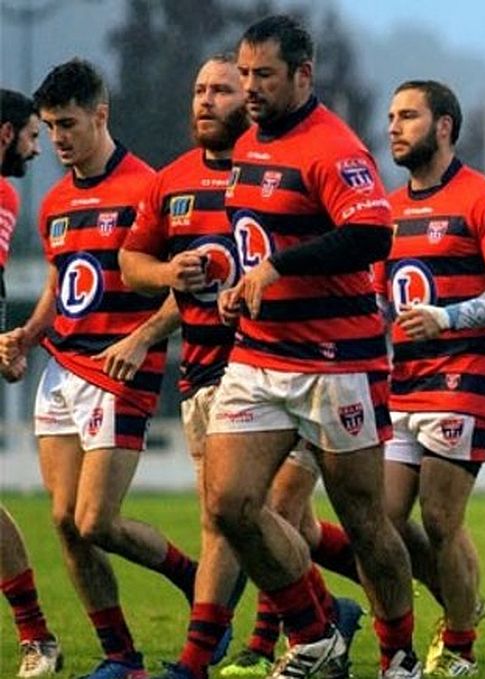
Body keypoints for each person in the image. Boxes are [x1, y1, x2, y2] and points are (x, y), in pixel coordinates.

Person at [118, 55, 363, 679]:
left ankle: (212, 655)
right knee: (260, 520)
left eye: (223, 89)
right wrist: (170, 276)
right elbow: (130, 264)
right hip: (206, 374)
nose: (209, 101)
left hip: (294, 363)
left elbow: (355, 242)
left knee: (258, 513)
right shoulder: (170, 180)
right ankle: (325, 619)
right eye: (199, 89)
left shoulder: (286, 164)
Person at [203, 15, 419, 679]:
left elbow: (372, 234)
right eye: (243, 75)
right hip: (260, 355)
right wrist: (235, 276)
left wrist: (277, 268)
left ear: (303, 73)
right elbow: (259, 238)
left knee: (364, 520)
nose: (249, 88)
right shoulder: (247, 145)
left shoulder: (333, 146)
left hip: (337, 361)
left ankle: (400, 655)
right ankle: (315, 632)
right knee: (229, 504)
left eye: (263, 75)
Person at [0, 60, 198, 679]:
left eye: (67, 125)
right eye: (49, 127)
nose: (56, 139)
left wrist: (142, 340)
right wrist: (29, 334)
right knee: (65, 521)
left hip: (121, 370)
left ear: (100, 116)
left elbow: (182, 286)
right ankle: (121, 657)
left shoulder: (149, 187)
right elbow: (64, 281)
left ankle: (195, 578)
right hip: (63, 367)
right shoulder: (55, 201)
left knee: (96, 520)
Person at [380, 79, 485, 677]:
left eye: (409, 116)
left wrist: (448, 316)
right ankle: (459, 602)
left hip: (465, 379)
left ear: (444, 126)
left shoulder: (484, 200)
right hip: (403, 384)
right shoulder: (388, 213)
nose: (394, 127)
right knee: (384, 523)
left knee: (442, 520)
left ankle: (460, 648)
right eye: (392, 116)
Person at [0, 87, 62, 679]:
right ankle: (36, 635)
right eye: (30, 136)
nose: (36, 147)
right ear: (5, 134)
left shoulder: (2, 195)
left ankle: (37, 636)